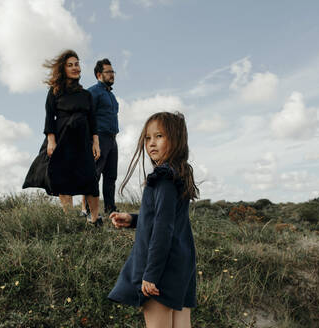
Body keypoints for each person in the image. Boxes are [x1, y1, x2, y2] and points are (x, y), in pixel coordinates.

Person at [108, 112, 199, 328]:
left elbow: (162, 229)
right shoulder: (178, 175)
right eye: (148, 138)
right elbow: (164, 219)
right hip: (181, 265)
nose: (151, 143)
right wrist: (131, 219)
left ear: (176, 140)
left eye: (159, 136)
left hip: (161, 270)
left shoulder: (163, 178)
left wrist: (151, 274)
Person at [22, 49, 102, 226]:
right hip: (63, 139)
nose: (75, 68)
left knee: (90, 179)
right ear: (63, 69)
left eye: (77, 64)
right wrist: (51, 141)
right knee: (64, 179)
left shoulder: (86, 95)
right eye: (70, 65)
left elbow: (93, 120)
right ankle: (70, 221)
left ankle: (95, 220)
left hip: (83, 139)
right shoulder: (55, 91)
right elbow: (49, 117)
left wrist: (96, 142)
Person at [81, 58, 119, 217]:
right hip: (99, 138)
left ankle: (110, 209)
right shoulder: (93, 92)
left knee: (111, 176)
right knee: (93, 174)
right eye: (108, 72)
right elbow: (86, 116)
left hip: (112, 139)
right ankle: (87, 211)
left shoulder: (111, 95)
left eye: (113, 72)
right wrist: (91, 140)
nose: (112, 75)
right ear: (99, 74)